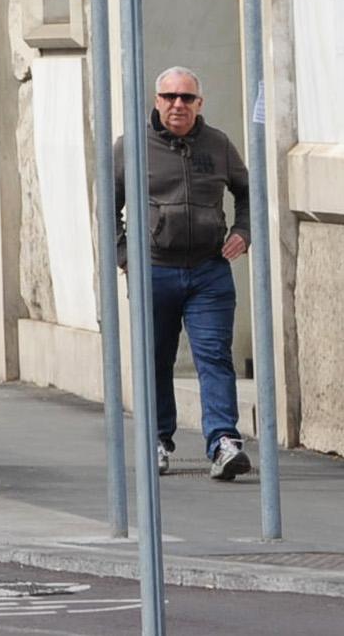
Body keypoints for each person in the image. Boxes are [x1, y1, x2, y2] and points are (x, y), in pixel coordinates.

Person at [115, 66, 253, 480]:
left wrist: (243, 231)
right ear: (156, 101)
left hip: (209, 271)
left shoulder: (219, 145)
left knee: (214, 357)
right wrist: (125, 254)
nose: (178, 104)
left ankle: (223, 443)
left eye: (186, 98)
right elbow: (107, 204)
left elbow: (247, 193)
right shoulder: (132, 148)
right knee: (157, 359)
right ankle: (157, 439)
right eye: (170, 97)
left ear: (199, 103)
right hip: (155, 270)